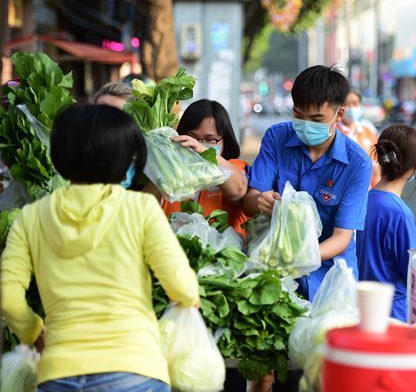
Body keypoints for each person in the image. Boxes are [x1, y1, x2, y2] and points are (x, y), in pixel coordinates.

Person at [0, 105, 200, 391]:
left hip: (58, 373)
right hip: (134, 371)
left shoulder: (31, 217)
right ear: (122, 158)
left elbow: (8, 299)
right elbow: (182, 287)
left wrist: (32, 331)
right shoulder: (140, 208)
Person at [243, 65, 372, 301]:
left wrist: (299, 258)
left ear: (339, 114)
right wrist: (260, 201)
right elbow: (250, 200)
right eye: (298, 116)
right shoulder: (276, 138)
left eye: (316, 119)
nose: (305, 124)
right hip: (273, 267)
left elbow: (342, 236)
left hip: (330, 277)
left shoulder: (358, 164)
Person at [356, 124, 416, 322]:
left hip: (361, 310)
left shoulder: (361, 202)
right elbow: (415, 277)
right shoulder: (400, 216)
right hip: (394, 317)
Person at [160, 99, 249, 235]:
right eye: (192, 138)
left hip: (221, 254)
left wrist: (205, 152)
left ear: (225, 140)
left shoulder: (235, 166)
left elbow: (238, 190)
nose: (197, 145)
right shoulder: (170, 173)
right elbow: (143, 208)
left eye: (209, 140)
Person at [338, 89, 381, 188]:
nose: (351, 108)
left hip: (368, 190)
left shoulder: (368, 131)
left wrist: (376, 190)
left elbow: (375, 164)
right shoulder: (334, 132)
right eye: (346, 104)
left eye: (355, 103)